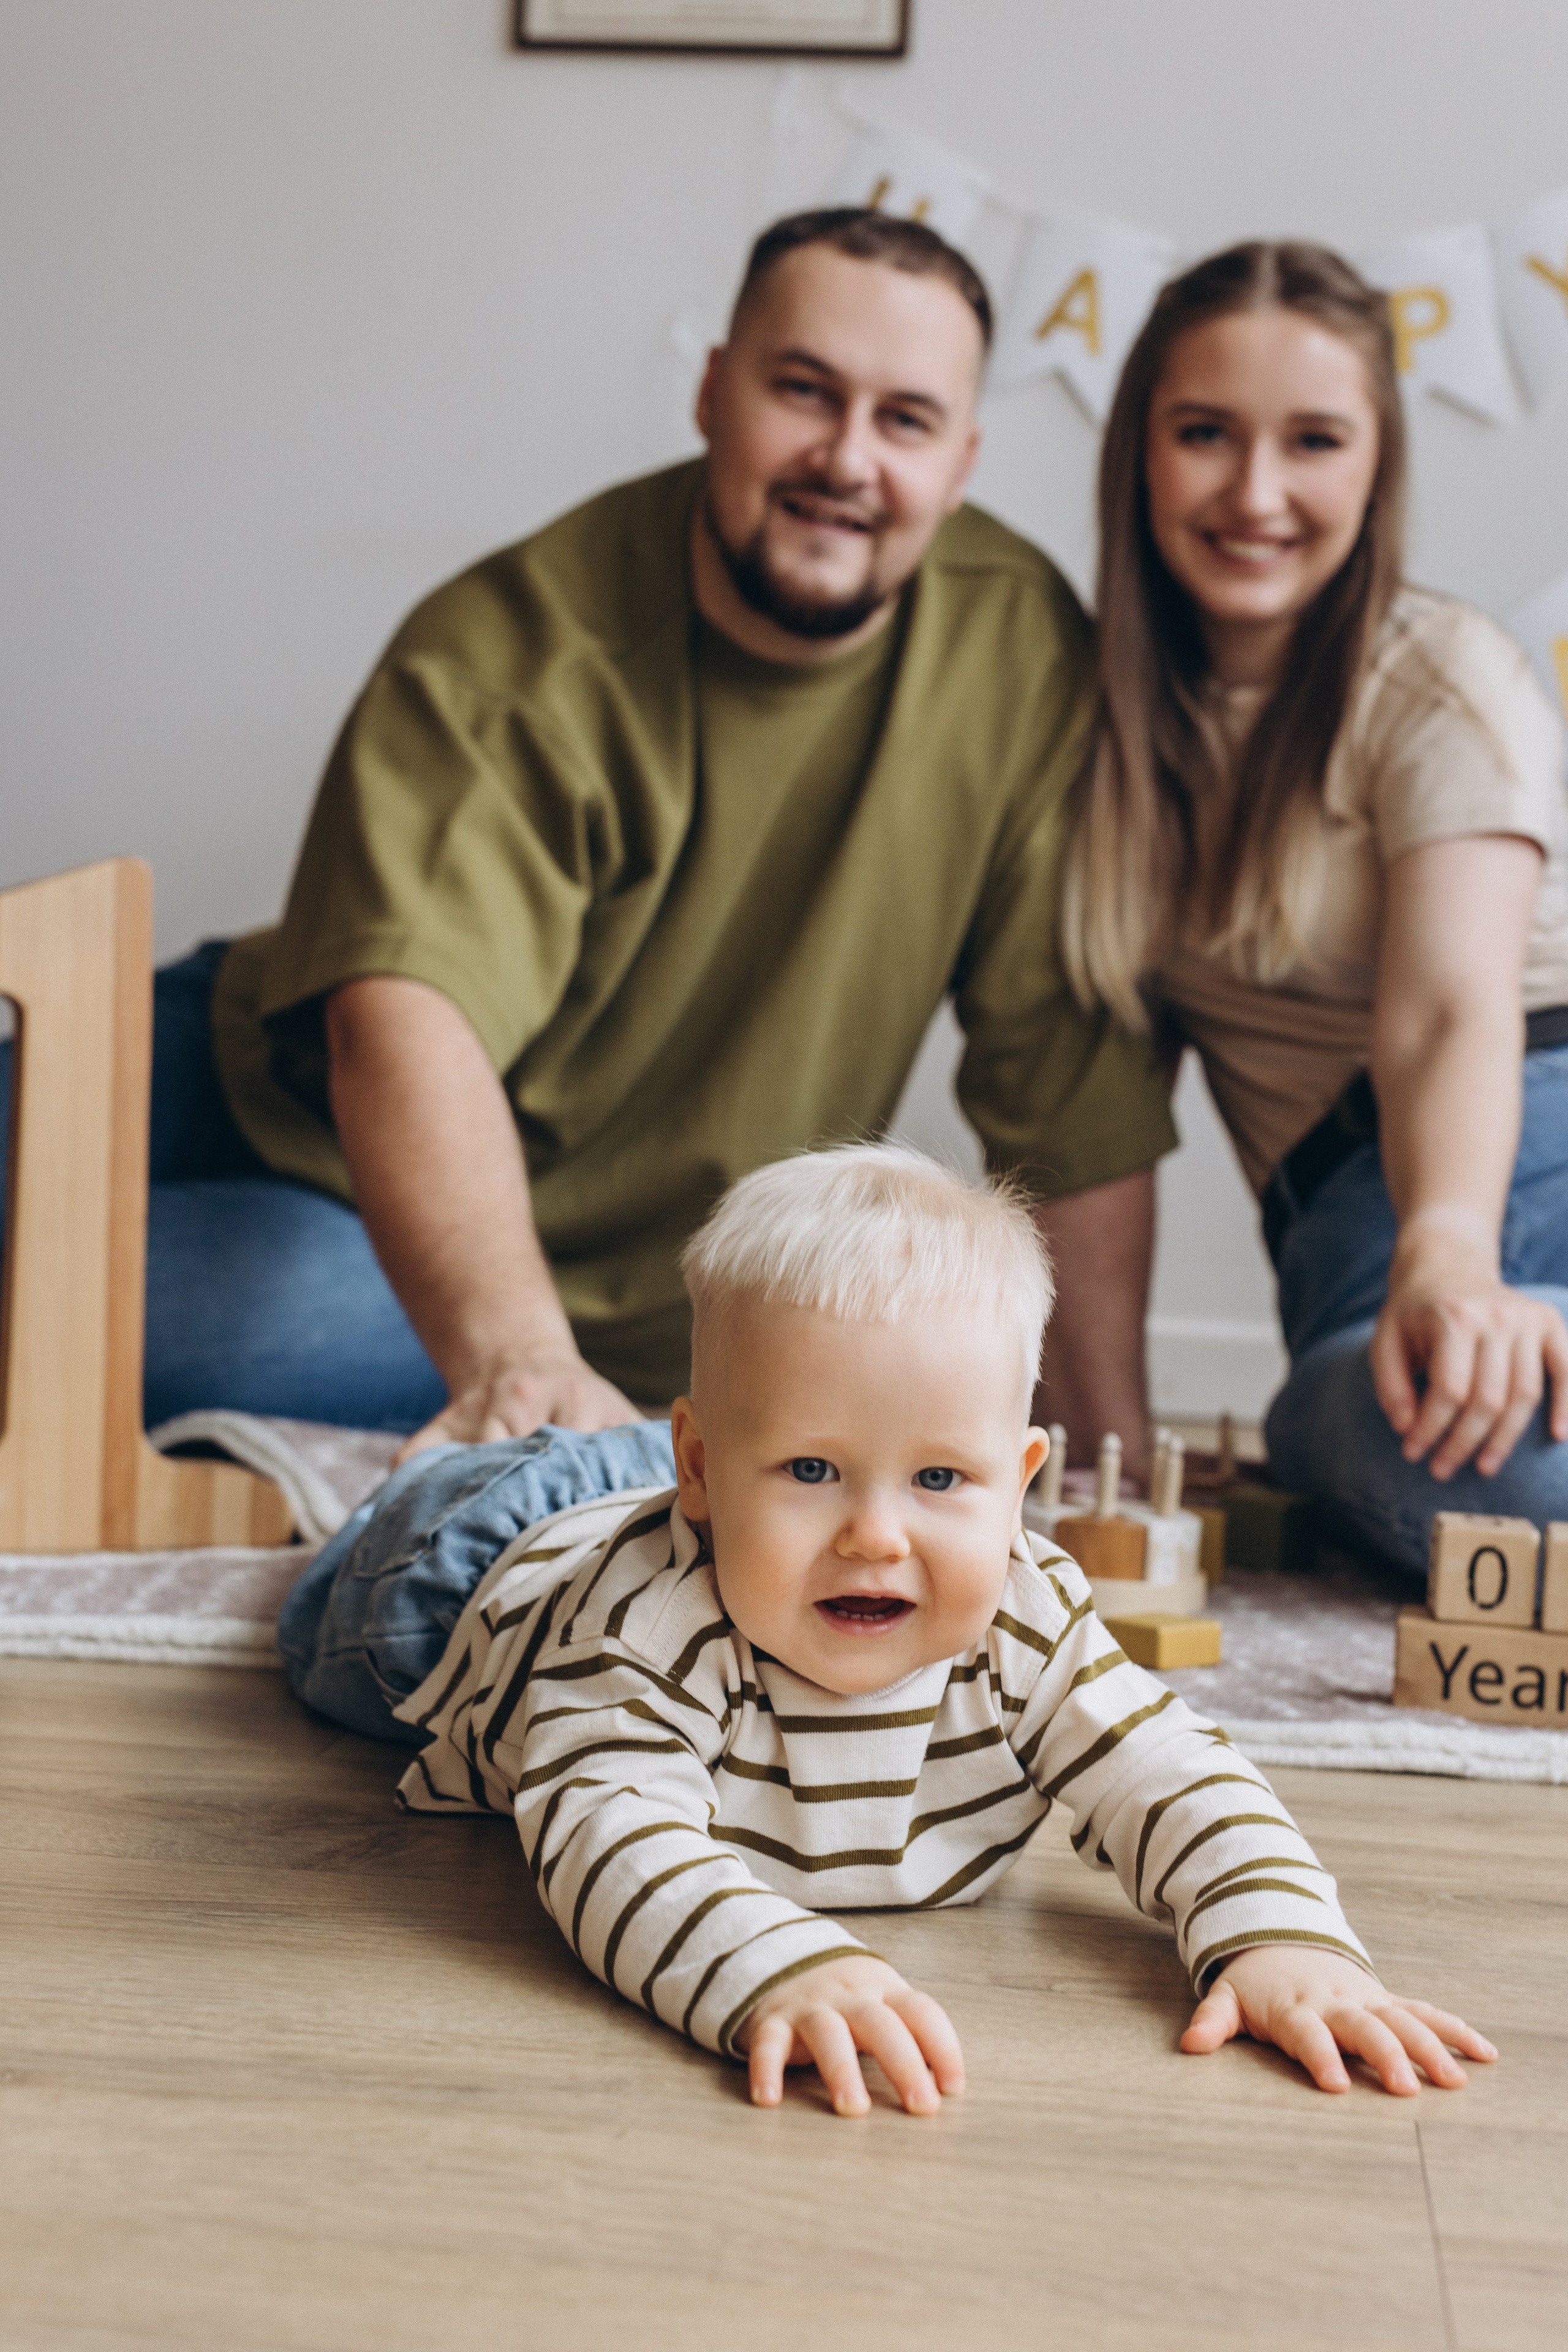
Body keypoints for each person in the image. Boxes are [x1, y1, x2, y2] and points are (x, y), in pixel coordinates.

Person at [125, 207, 1175, 1460]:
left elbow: (1068, 1095)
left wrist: (1117, 1467)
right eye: (802, 391)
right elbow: (399, 1019)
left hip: (428, 1268)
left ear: (959, 463)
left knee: (67, 1312)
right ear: (714, 393)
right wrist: (513, 1356)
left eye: (904, 420)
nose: (845, 459)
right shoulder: (515, 649)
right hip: (268, 1087)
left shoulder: (1016, 657)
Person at [277, 1144, 1491, 2115]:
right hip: (486, 1560)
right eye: (815, 1468)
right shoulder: (652, 1626)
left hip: (693, 1476)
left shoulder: (1023, 1607)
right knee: (333, 1627)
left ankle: (725, 1452)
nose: (873, 1536)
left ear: (1019, 1483)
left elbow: (1169, 1773)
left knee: (764, 1465)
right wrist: (777, 1964)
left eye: (939, 1482)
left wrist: (1276, 1936)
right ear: (699, 1470)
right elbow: (607, 1835)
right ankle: (458, 1486)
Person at [1061, 240, 1568, 1575]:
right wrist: (1108, 1467)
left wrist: (1453, 1258)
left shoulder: (1437, 673)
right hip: (1349, 1239)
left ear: (1374, 466)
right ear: (1139, 455)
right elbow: (1082, 1119)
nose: (1255, 492)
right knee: (1441, 1457)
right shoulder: (1083, 738)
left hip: (1509, 1143)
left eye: (1313, 441)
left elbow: (1449, 1008)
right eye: (1204, 434)